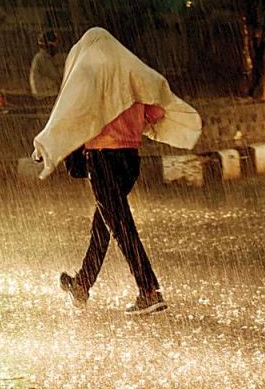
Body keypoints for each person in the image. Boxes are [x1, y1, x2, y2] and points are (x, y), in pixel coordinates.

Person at [32, 27, 201, 315]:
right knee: (106, 222)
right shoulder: (130, 73)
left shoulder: (88, 76)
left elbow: (69, 114)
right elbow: (156, 112)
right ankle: (82, 284)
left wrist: (46, 146)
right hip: (130, 159)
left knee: (120, 226)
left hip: (103, 159)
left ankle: (148, 290)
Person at [29, 30, 66, 97]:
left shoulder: (51, 57)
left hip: (51, 92)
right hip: (45, 94)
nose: (56, 48)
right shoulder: (41, 58)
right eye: (54, 46)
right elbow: (55, 77)